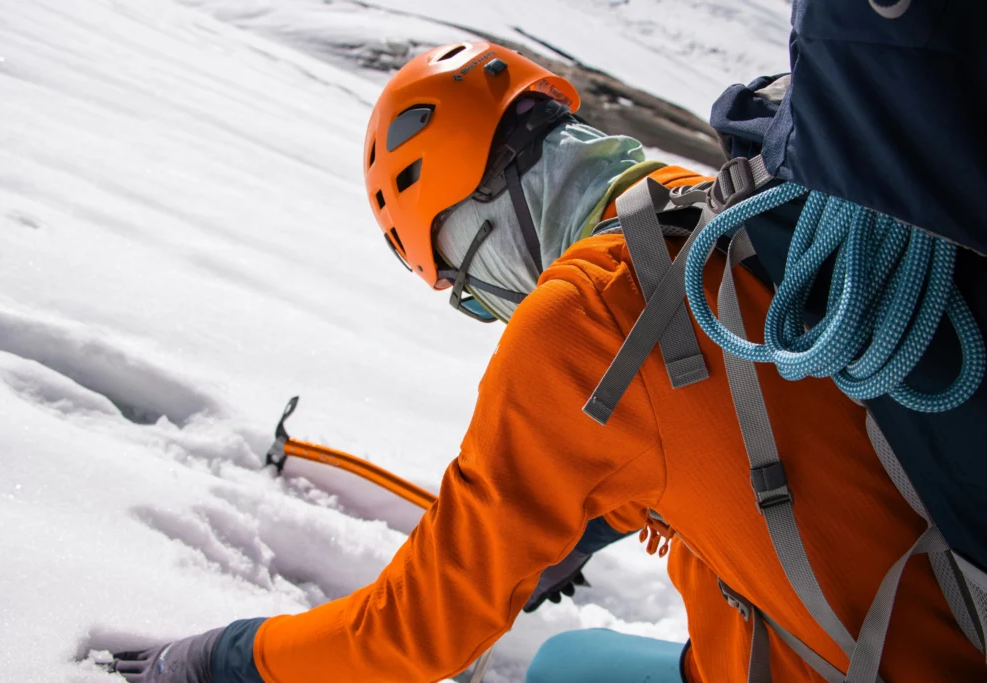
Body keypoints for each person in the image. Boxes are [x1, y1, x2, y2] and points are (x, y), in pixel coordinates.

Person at [109, 42, 984, 683]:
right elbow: (722, 427)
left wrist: (222, 659)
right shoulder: (729, 202)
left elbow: (411, 634)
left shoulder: (584, 317)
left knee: (562, 670)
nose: (487, 308)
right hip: (942, 606)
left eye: (466, 284)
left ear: (483, 227)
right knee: (574, 658)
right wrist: (570, 528)